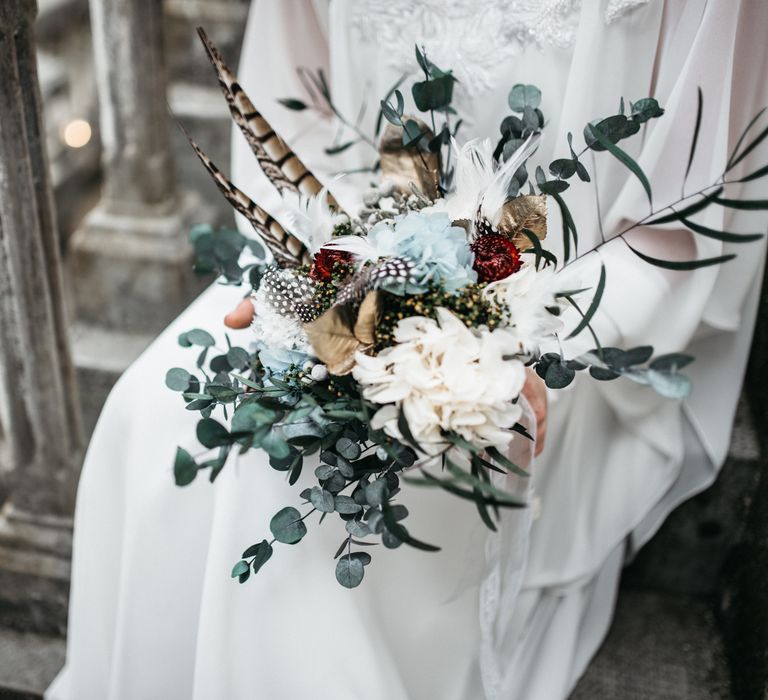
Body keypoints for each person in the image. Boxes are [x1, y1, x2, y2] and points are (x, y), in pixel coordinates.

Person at [48, 1, 768, 698]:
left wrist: (517, 337)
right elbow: (299, 115)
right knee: (150, 410)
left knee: (283, 497)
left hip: (554, 314)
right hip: (346, 253)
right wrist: (325, 271)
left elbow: (680, 225)